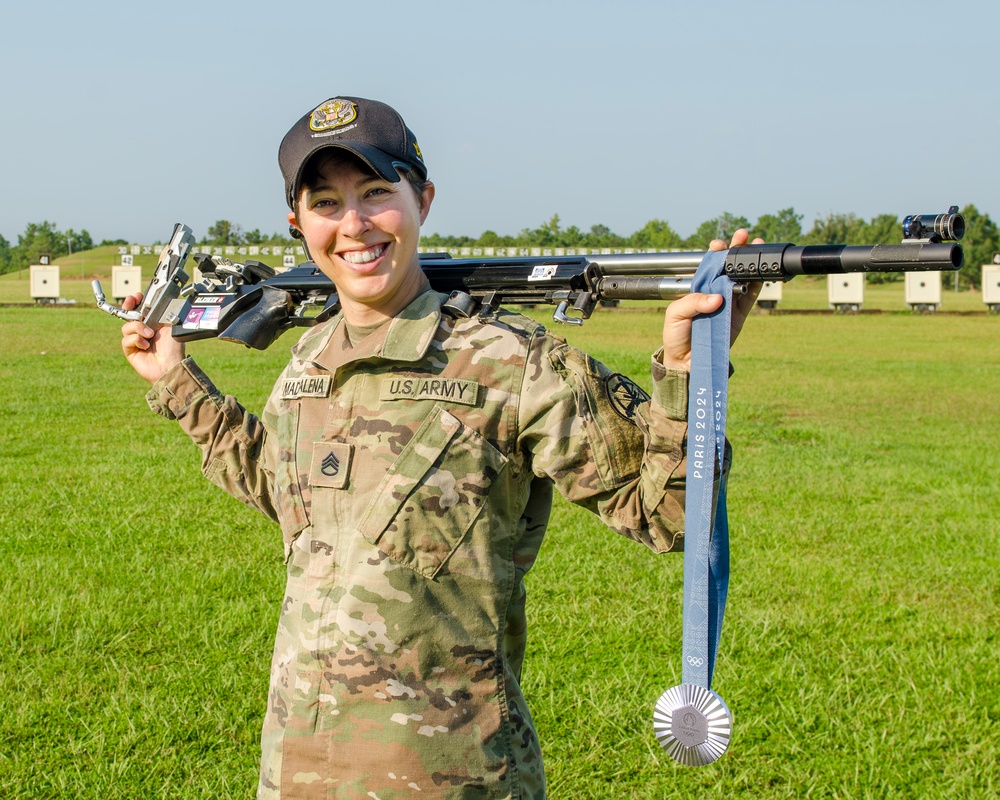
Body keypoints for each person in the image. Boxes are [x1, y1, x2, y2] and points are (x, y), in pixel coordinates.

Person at [119, 95, 760, 799]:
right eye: (327, 202)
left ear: (421, 198)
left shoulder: (510, 363)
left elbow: (665, 515)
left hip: (456, 779)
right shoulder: (307, 361)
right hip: (298, 771)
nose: (355, 224)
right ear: (298, 224)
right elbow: (290, 495)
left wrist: (690, 380)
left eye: (374, 193)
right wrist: (176, 383)